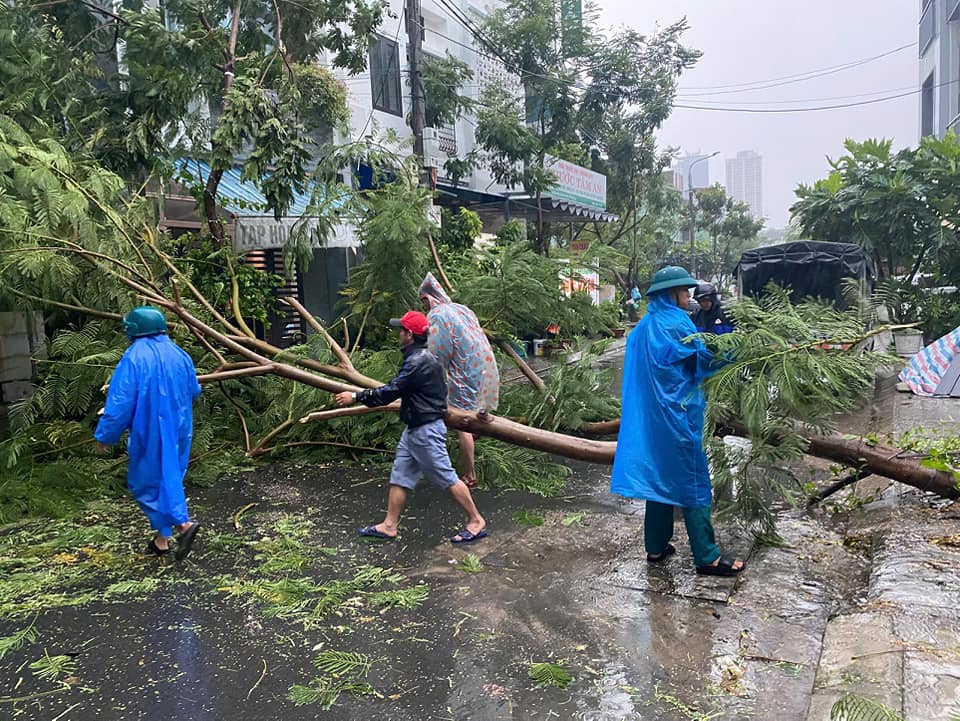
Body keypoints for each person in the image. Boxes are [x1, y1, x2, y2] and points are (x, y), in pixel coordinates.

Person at [609, 266, 745, 577]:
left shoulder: (642, 328)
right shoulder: (676, 323)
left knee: (660, 479)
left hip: (651, 422)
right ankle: (707, 557)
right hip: (677, 418)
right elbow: (704, 360)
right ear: (672, 294)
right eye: (685, 292)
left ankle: (655, 547)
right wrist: (738, 350)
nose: (689, 297)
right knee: (694, 481)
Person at [335, 310, 487, 544]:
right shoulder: (422, 356)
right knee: (401, 475)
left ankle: (476, 520)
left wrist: (355, 396)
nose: (399, 334)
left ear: (409, 335)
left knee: (446, 477)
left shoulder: (418, 361)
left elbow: (391, 391)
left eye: (401, 330)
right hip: (415, 428)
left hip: (426, 430)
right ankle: (389, 525)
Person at [94, 306, 202, 559]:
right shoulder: (179, 353)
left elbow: (120, 403)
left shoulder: (134, 357)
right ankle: (161, 542)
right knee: (169, 477)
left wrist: (105, 436)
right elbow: (194, 390)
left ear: (132, 329)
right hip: (180, 426)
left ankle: (183, 525)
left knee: (146, 483)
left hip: (151, 429)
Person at [418, 273, 500, 489]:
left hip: (464, 369)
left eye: (424, 301)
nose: (424, 305)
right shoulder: (461, 309)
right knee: (478, 411)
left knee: (461, 419)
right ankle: (477, 430)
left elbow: (438, 352)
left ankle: (470, 474)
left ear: (429, 298)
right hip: (484, 363)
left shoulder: (438, 315)